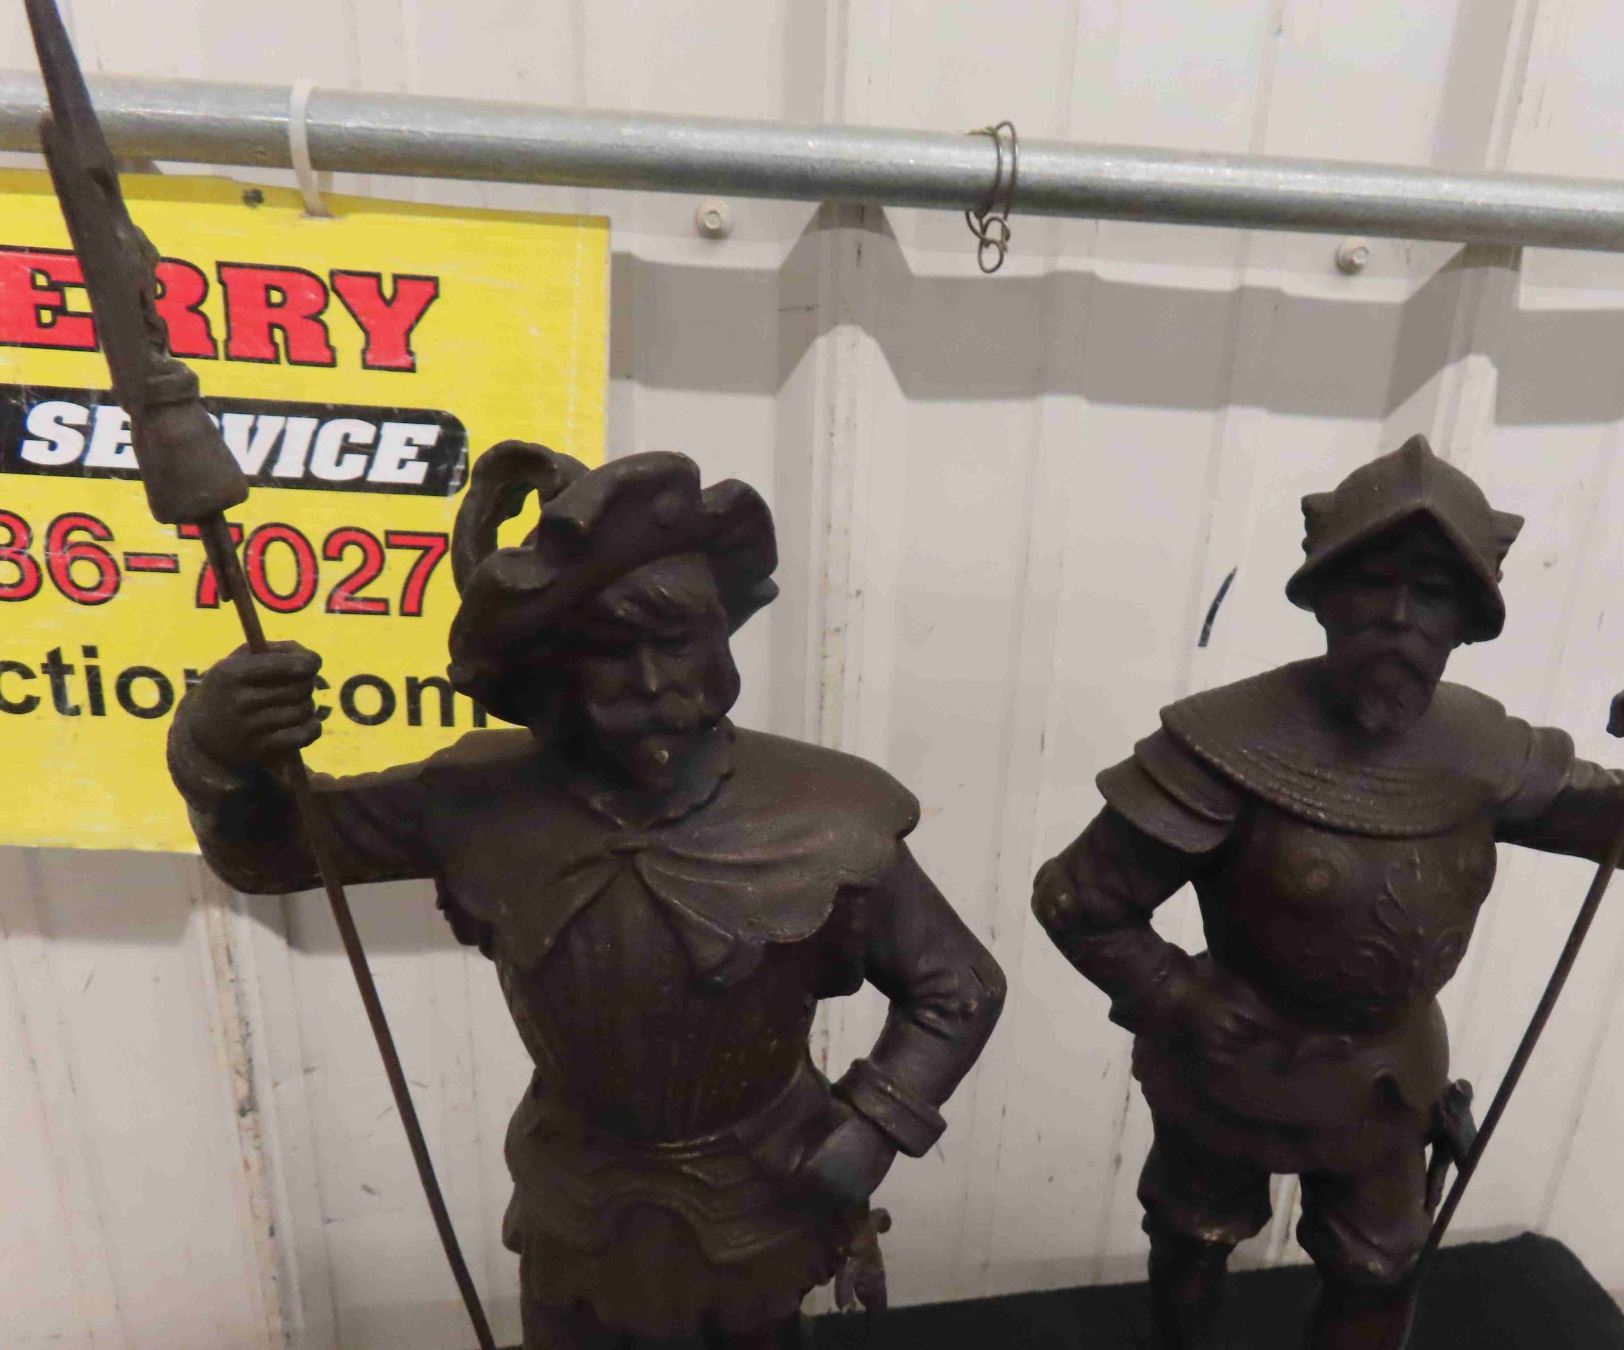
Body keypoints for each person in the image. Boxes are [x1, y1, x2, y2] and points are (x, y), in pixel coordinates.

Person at [169, 447, 1005, 1350]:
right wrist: (218, 751)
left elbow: (958, 986)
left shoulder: (831, 813)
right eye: (611, 650)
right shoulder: (473, 800)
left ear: (720, 636)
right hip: (575, 1202)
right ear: (555, 664)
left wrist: (874, 1125)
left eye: (676, 642)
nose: (649, 681)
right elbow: (272, 854)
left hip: (764, 1192)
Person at [1031, 436, 1624, 1350]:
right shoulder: (1226, 743)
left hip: (1391, 1085)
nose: (1400, 617)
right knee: (1192, 1242)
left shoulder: (1486, 751)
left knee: (1377, 1272)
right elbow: (1080, 898)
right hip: (1231, 1064)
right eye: (1371, 583)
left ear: (1467, 620)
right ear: (1326, 597)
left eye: (1433, 592)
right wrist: (1173, 994)